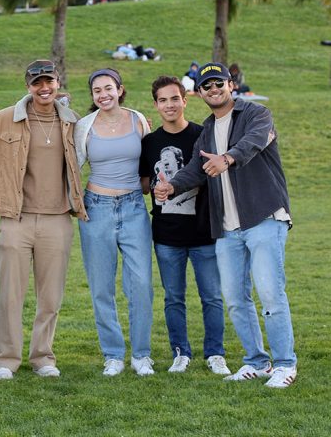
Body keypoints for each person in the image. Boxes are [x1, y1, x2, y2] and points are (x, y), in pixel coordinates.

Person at [154, 63, 297, 389]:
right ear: (200, 92)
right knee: (235, 298)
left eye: (218, 83)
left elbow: (253, 143)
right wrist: (171, 187)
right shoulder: (206, 131)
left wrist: (227, 158)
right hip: (228, 229)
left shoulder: (256, 114)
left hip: (263, 218)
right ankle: (257, 362)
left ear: (230, 84)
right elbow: (194, 170)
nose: (213, 89)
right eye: (207, 85)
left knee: (271, 295)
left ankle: (285, 365)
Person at [0, 60, 86, 381]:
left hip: (59, 219)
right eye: (37, 83)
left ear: (58, 83)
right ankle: (6, 361)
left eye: (48, 81)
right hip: (15, 218)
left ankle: (43, 357)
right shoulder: (5, 119)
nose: (44, 88)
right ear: (28, 87)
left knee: (50, 296)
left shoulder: (72, 122)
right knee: (10, 294)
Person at [139, 76, 229, 375]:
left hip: (204, 233)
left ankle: (215, 353)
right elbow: (142, 184)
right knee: (174, 298)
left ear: (184, 100)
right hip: (166, 235)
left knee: (212, 296)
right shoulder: (149, 142)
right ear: (155, 104)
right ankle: (181, 352)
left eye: (174, 99)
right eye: (162, 100)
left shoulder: (203, 135)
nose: (169, 105)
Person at [73, 68, 154, 377]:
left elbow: (149, 161)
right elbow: (72, 166)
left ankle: (141, 355)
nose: (103, 94)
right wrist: (75, 202)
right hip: (97, 209)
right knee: (101, 287)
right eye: (97, 91)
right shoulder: (84, 126)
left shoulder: (138, 120)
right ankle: (113, 355)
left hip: (134, 207)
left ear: (120, 89)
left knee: (142, 284)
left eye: (108, 88)